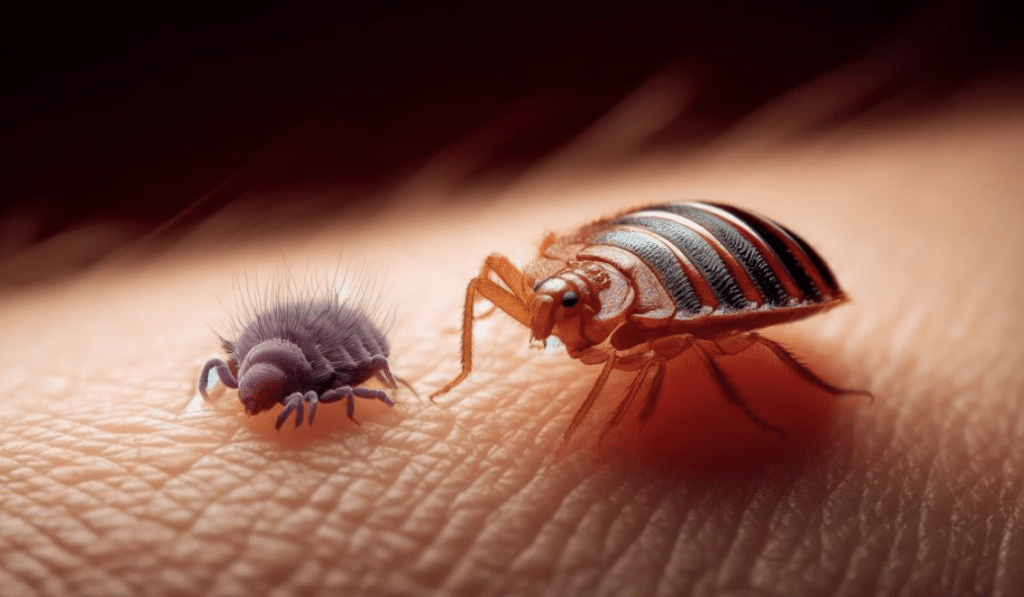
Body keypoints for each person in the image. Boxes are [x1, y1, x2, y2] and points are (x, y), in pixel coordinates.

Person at [1, 103, 1022, 597]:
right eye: (549, 305)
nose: (547, 320)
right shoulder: (548, 285)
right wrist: (468, 359)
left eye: (564, 310)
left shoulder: (645, 330)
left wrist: (740, 418)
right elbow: (508, 270)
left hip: (742, 266)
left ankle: (788, 395)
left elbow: (683, 344)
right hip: (641, 238)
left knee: (700, 354)